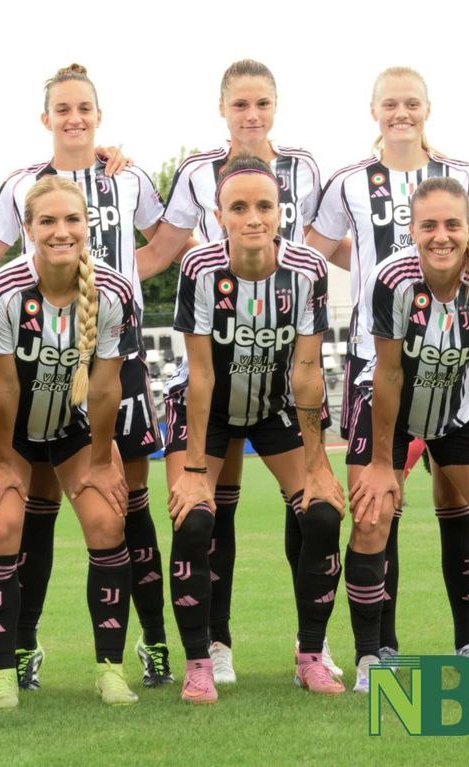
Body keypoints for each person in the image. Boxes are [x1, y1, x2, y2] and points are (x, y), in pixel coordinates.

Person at [0, 63, 173, 690]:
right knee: (24, 517)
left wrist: (123, 271)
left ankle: (144, 648)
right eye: (63, 108)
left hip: (99, 372)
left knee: (124, 509)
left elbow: (168, 242)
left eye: (84, 108)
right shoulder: (18, 200)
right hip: (23, 390)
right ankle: (16, 655)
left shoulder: (126, 181)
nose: (74, 118)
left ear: (99, 116)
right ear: (46, 118)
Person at [145, 59, 343, 683]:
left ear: (283, 209)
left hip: (275, 402)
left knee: (321, 512)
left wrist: (318, 462)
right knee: (199, 515)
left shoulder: (307, 268)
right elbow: (201, 375)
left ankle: (311, 652)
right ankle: (207, 654)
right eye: (239, 207)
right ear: (220, 212)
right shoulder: (201, 266)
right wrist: (193, 469)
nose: (253, 217)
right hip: (209, 406)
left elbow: (306, 371)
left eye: (264, 206)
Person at [307, 66, 469, 670]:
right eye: (390, 103)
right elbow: (315, 251)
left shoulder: (461, 174)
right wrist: (376, 271)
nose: (401, 113)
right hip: (378, 362)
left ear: (427, 109)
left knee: (465, 500)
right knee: (377, 503)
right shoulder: (348, 181)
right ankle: (378, 651)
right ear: (374, 110)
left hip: (452, 365)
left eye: (411, 103)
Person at [0, 174, 141, 707]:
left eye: (72, 220)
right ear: (28, 229)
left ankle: (110, 670)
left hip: (68, 420)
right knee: (2, 526)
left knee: (108, 520)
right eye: (48, 221)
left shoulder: (113, 291)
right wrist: (0, 463)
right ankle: (3, 675)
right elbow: (4, 387)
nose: (61, 231)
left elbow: (106, 386)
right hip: (4, 426)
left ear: (87, 226)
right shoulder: (0, 291)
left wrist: (101, 462)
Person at [348, 177, 469, 690]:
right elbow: (388, 374)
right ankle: (371, 655)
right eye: (429, 225)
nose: (440, 236)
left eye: (452, 224)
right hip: (389, 409)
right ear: (412, 229)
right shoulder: (392, 280)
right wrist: (383, 464)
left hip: (456, 412)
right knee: (373, 514)